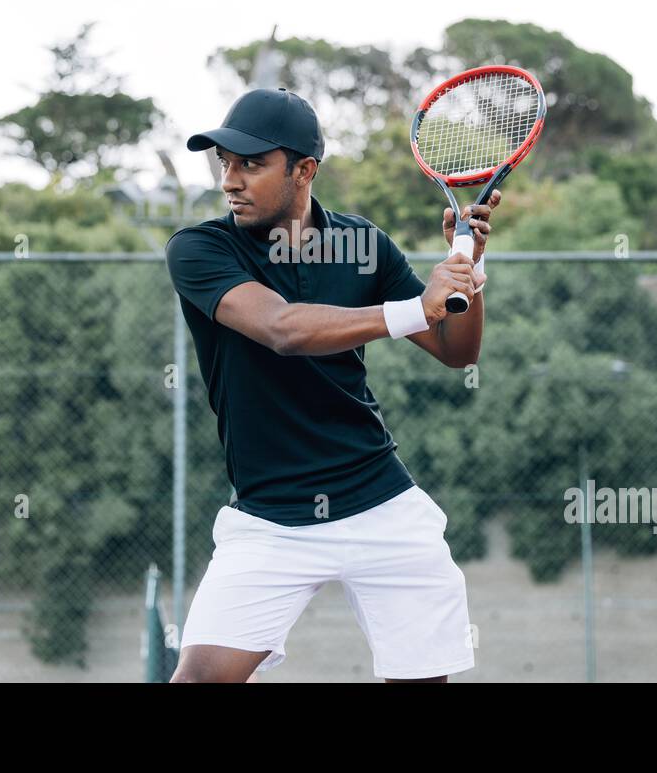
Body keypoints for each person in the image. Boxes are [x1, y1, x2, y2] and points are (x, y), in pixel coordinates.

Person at [164, 87, 497, 683]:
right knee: (198, 678)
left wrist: (466, 271)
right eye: (226, 164)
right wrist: (414, 310)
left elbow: (456, 351)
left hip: (381, 500)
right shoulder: (199, 249)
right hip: (269, 518)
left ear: (304, 170)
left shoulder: (362, 246)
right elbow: (281, 328)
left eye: (251, 164)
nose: (230, 181)